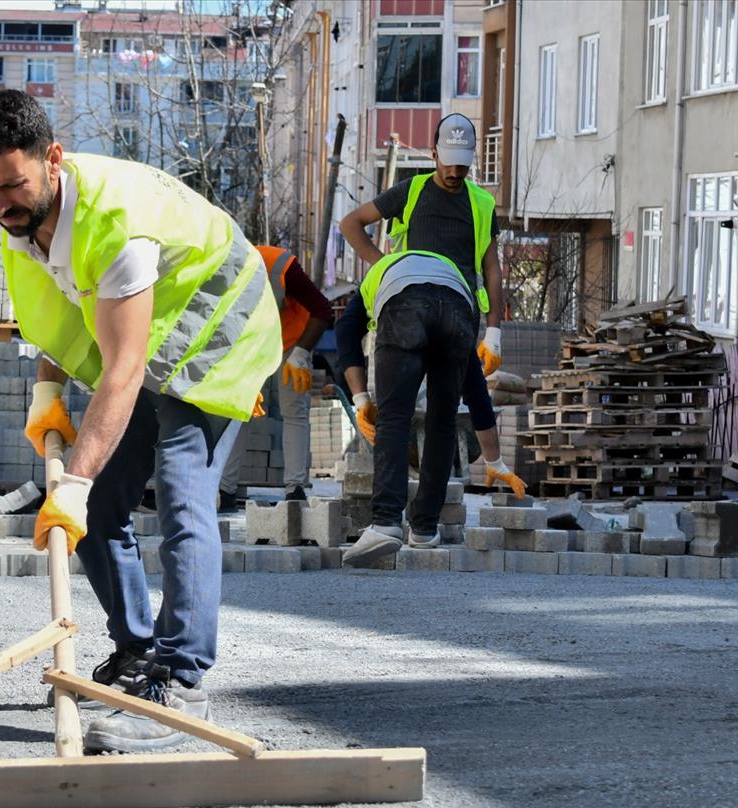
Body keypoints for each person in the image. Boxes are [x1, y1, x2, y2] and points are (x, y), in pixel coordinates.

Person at [0, 90, 282, 753]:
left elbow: (125, 368)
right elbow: (62, 307)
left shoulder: (115, 221)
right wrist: (46, 393)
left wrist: (69, 481)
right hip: (158, 340)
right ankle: (138, 653)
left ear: (52, 159)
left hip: (220, 332)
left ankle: (181, 678)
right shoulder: (23, 222)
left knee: (180, 486)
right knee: (103, 503)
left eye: (12, 185)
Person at [337, 113, 503, 567]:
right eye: (448, 163)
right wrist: (379, 262)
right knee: (442, 419)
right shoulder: (410, 190)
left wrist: (496, 329)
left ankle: (388, 521)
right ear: (433, 155)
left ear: (471, 163)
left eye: (463, 166)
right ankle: (424, 529)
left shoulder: (481, 204)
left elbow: (492, 268)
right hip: (450, 310)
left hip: (430, 304)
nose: (454, 173)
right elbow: (352, 223)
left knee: (399, 417)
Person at [334, 292, 527, 498]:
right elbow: (473, 384)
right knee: (436, 418)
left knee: (399, 418)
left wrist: (361, 399)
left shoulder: (393, 280)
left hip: (408, 316)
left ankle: (391, 520)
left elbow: (346, 328)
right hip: (436, 310)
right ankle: (415, 523)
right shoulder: (452, 292)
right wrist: (493, 459)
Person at [218, 246, 333, 510]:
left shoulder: (278, 265)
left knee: (293, 410)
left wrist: (301, 353)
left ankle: (295, 490)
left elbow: (323, 310)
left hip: (292, 340)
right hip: (252, 341)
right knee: (237, 410)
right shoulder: (217, 275)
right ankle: (224, 489)